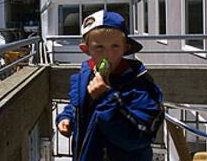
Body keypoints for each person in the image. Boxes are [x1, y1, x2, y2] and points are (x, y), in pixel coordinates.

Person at [56, 10, 164, 161]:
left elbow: (139, 137)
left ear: (125, 48)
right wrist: (65, 118)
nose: (108, 54)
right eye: (99, 47)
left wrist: (105, 97)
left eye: (115, 46)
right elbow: (77, 106)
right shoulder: (83, 77)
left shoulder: (141, 85)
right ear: (86, 50)